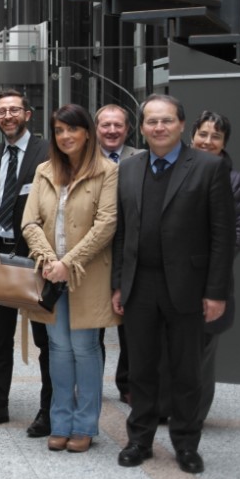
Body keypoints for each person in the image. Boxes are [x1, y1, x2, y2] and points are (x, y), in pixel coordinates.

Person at [113, 94, 234, 474]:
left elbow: (222, 236)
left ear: (182, 125)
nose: (159, 128)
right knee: (142, 370)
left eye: (166, 121)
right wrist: (119, 284)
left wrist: (216, 292)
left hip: (189, 287)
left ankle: (186, 443)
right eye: (152, 121)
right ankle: (140, 439)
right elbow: (122, 235)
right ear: (143, 127)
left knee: (186, 372)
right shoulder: (129, 169)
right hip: (140, 286)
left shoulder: (208, 167)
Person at [21, 103, 120, 453]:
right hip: (50, 276)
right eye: (59, 130)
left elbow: (106, 224)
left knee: (85, 348)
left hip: (87, 275)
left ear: (87, 133)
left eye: (72, 129)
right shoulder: (44, 171)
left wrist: (69, 262)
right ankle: (60, 422)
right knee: (58, 349)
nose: (65, 136)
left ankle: (85, 425)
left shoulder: (106, 171)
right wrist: (49, 259)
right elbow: (29, 221)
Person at [0, 89, 52, 436]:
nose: (7, 116)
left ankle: (48, 411)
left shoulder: (47, 151)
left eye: (14, 110)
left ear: (28, 114)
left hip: (36, 259)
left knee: (46, 341)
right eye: (1, 111)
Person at [182, 111, 240, 425]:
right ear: (192, 135)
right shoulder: (174, 170)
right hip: (170, 280)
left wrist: (201, 261)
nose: (207, 141)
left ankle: (192, 419)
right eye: (203, 134)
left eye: (215, 136)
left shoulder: (235, 181)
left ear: (223, 143)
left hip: (207, 282)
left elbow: (235, 234)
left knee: (202, 356)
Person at [94, 103, 137, 405]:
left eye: (117, 125)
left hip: (133, 253)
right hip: (94, 254)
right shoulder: (83, 160)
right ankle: (90, 381)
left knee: (131, 326)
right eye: (105, 125)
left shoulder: (142, 159)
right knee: (91, 325)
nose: (111, 130)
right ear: (96, 129)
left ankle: (128, 383)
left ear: (128, 129)